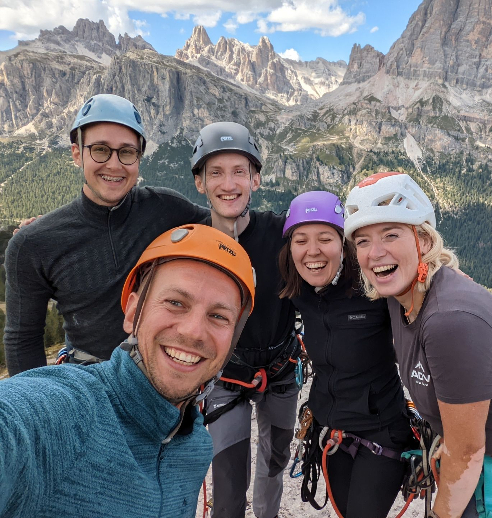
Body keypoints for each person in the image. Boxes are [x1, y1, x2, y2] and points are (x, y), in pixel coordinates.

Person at [344, 172, 492, 518]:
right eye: (362, 242)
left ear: (421, 240)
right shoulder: (400, 294)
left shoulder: (450, 321)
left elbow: (466, 453)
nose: (375, 253)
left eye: (391, 235)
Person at [0, 224, 255, 518]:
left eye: (219, 316)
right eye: (175, 302)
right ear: (133, 313)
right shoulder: (66, 414)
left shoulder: (196, 446)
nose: (194, 332)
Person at [4, 93, 209, 375]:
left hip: (159, 378)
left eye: (126, 152)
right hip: (87, 383)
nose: (114, 165)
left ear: (139, 158)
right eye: (100, 149)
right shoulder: (34, 243)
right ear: (77, 153)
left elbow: (226, 226)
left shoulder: (165, 208)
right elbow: (23, 340)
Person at [278, 191, 412, 518]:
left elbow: (424, 325)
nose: (313, 251)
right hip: (329, 431)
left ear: (344, 243)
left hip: (381, 431)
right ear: (290, 248)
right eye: (301, 240)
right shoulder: (300, 289)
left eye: (325, 238)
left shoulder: (375, 288)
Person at [191, 122, 299, 518]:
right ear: (200, 182)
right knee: (229, 482)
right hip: (225, 377)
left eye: (239, 171)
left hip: (281, 372)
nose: (229, 184)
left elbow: (333, 247)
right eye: (215, 173)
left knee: (274, 465)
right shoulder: (191, 244)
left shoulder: (283, 233)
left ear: (255, 178)